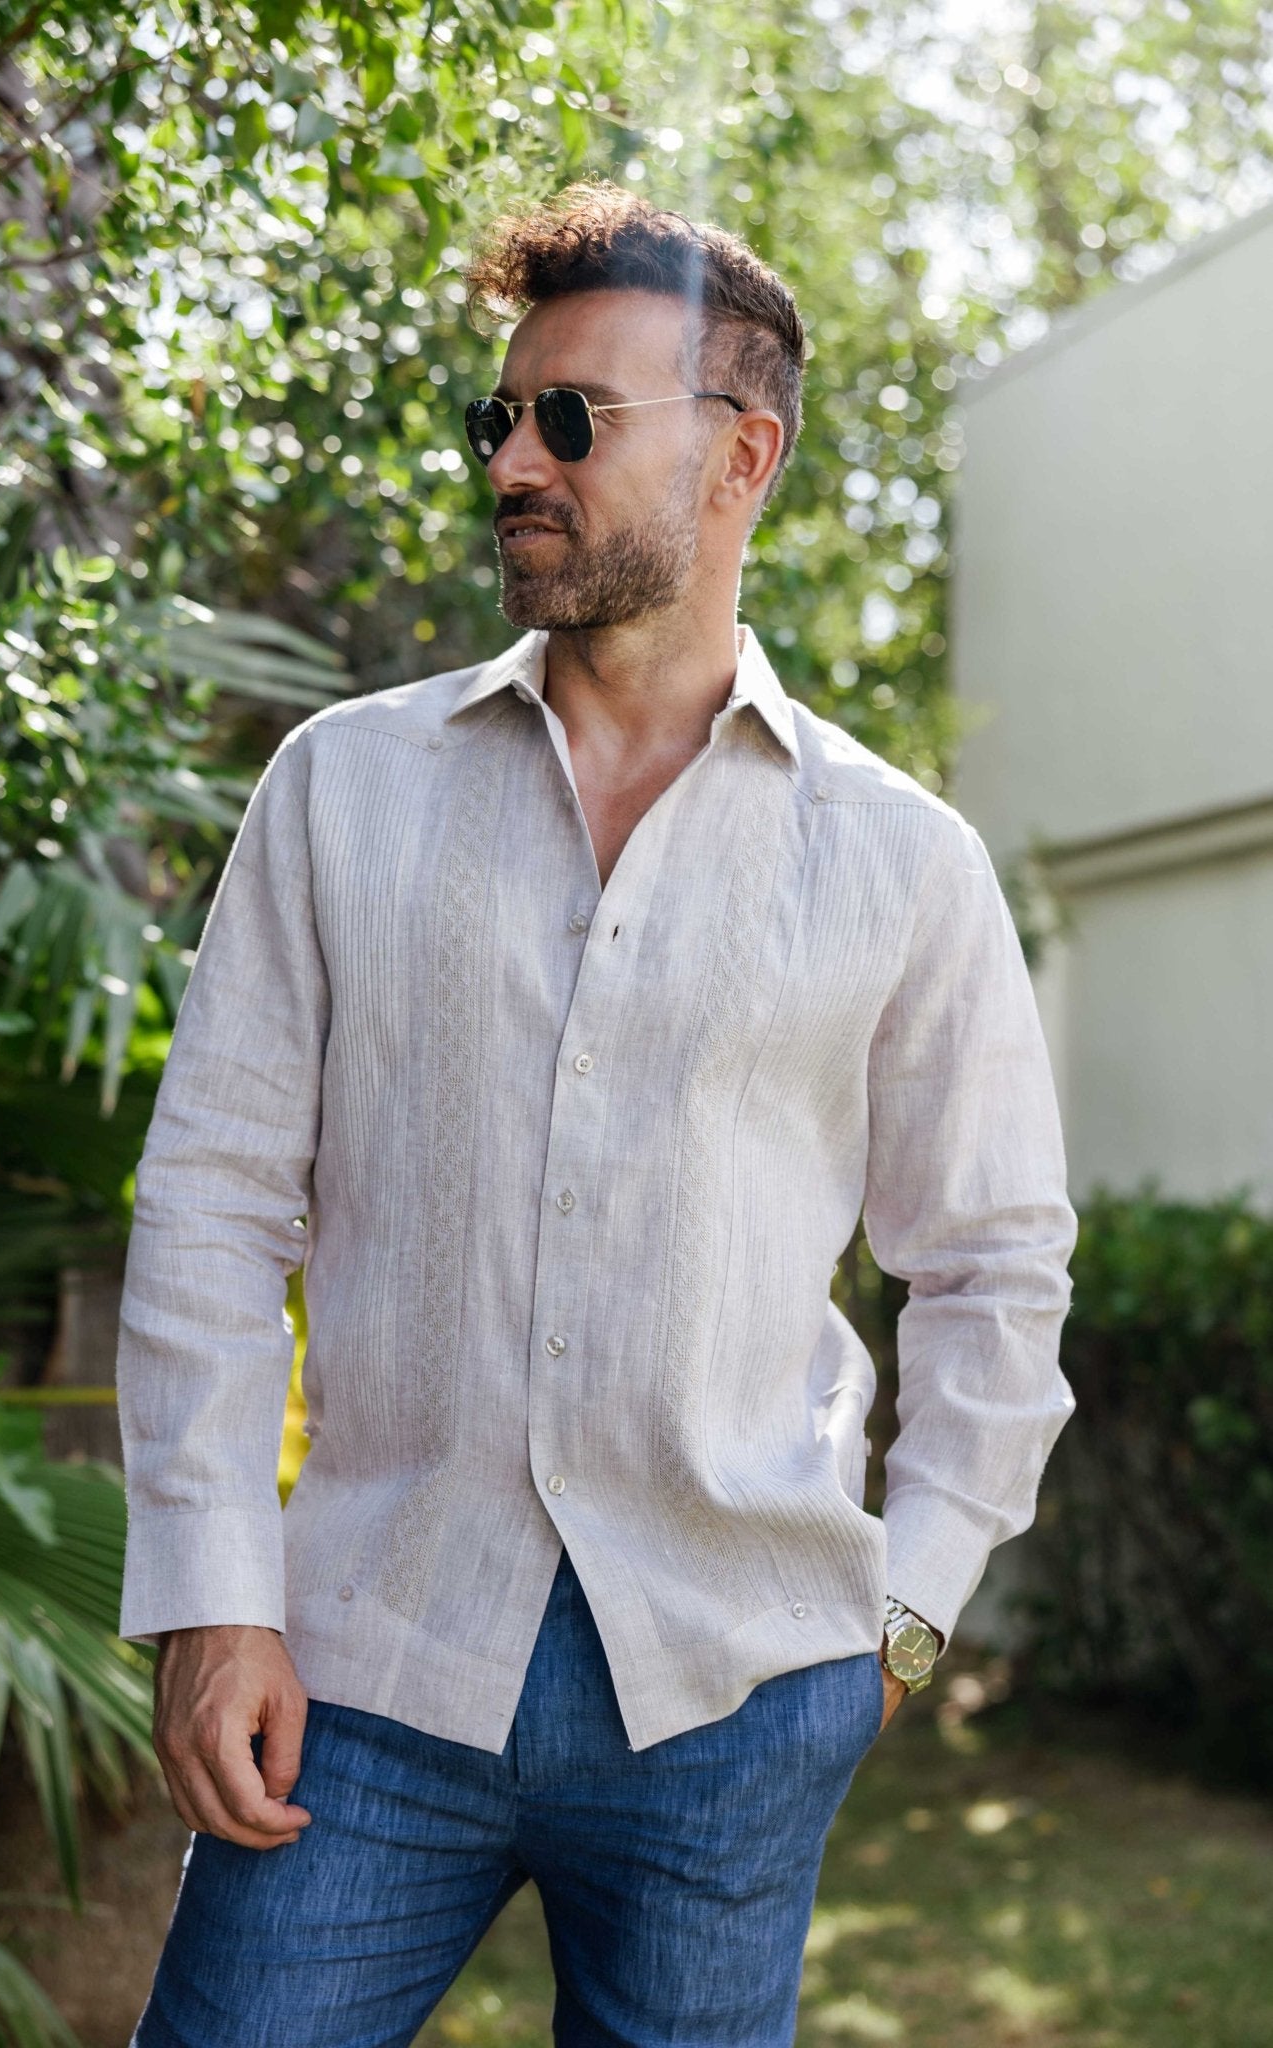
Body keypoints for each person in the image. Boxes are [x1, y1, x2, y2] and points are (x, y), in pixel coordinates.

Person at [117, 179, 1077, 2048]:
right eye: (501, 416)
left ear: (742, 455)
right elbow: (217, 1204)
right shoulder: (343, 789)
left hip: (736, 1696)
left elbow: (989, 1267)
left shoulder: (899, 859)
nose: (514, 463)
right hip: (362, 1670)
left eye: (575, 419)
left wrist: (902, 1628)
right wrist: (215, 1602)